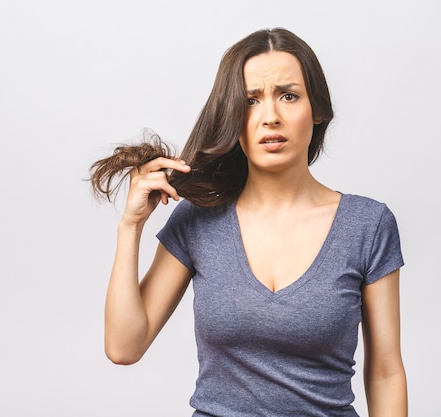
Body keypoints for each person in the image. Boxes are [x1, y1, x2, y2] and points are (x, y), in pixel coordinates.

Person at [89, 27, 408, 417]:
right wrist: (130, 227)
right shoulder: (198, 220)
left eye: (288, 96)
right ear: (231, 116)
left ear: (318, 109)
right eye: (250, 101)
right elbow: (124, 347)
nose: (270, 117)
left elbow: (386, 372)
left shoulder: (367, 225)